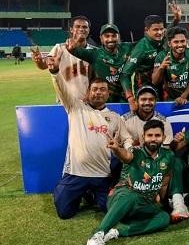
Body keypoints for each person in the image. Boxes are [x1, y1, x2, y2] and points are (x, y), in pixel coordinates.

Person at [46, 48, 133, 219]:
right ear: (88, 92)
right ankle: (71, 191)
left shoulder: (114, 117)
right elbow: (62, 89)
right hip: (76, 173)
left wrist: (127, 150)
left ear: (108, 94)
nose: (98, 92)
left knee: (108, 210)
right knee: (65, 212)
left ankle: (92, 194)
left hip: (101, 175)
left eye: (102, 89)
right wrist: (55, 71)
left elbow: (127, 138)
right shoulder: (75, 108)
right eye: (95, 89)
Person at [84, 120, 176, 245]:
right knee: (130, 196)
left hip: (144, 203)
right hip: (122, 197)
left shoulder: (168, 156)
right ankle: (96, 237)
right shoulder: (135, 152)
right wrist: (116, 149)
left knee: (163, 218)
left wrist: (160, 197)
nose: (153, 139)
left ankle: (116, 231)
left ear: (163, 137)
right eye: (149, 135)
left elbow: (166, 178)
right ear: (143, 136)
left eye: (157, 135)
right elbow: (126, 156)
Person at [68, 23, 133, 102]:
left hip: (125, 102)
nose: (110, 39)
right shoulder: (95, 54)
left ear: (118, 37)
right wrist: (71, 47)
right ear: (101, 38)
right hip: (102, 103)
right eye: (107, 36)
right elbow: (74, 50)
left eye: (113, 36)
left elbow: (143, 45)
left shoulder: (127, 48)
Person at [34, 16, 93, 101]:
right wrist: (38, 61)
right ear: (71, 29)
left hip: (87, 101)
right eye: (77, 26)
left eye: (84, 27)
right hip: (64, 101)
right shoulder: (59, 48)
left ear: (88, 30)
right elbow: (44, 66)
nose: (81, 29)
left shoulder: (94, 52)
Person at [120, 15, 166, 111]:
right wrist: (130, 98)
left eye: (162, 29)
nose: (160, 32)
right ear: (146, 30)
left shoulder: (162, 40)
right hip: (144, 91)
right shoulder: (141, 48)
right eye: (155, 30)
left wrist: (175, 20)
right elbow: (124, 74)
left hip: (162, 88)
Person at [152, 27, 189, 105]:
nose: (180, 45)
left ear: (186, 41)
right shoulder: (161, 56)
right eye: (176, 42)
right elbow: (154, 82)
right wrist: (161, 68)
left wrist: (183, 96)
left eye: (182, 41)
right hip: (170, 99)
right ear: (169, 44)